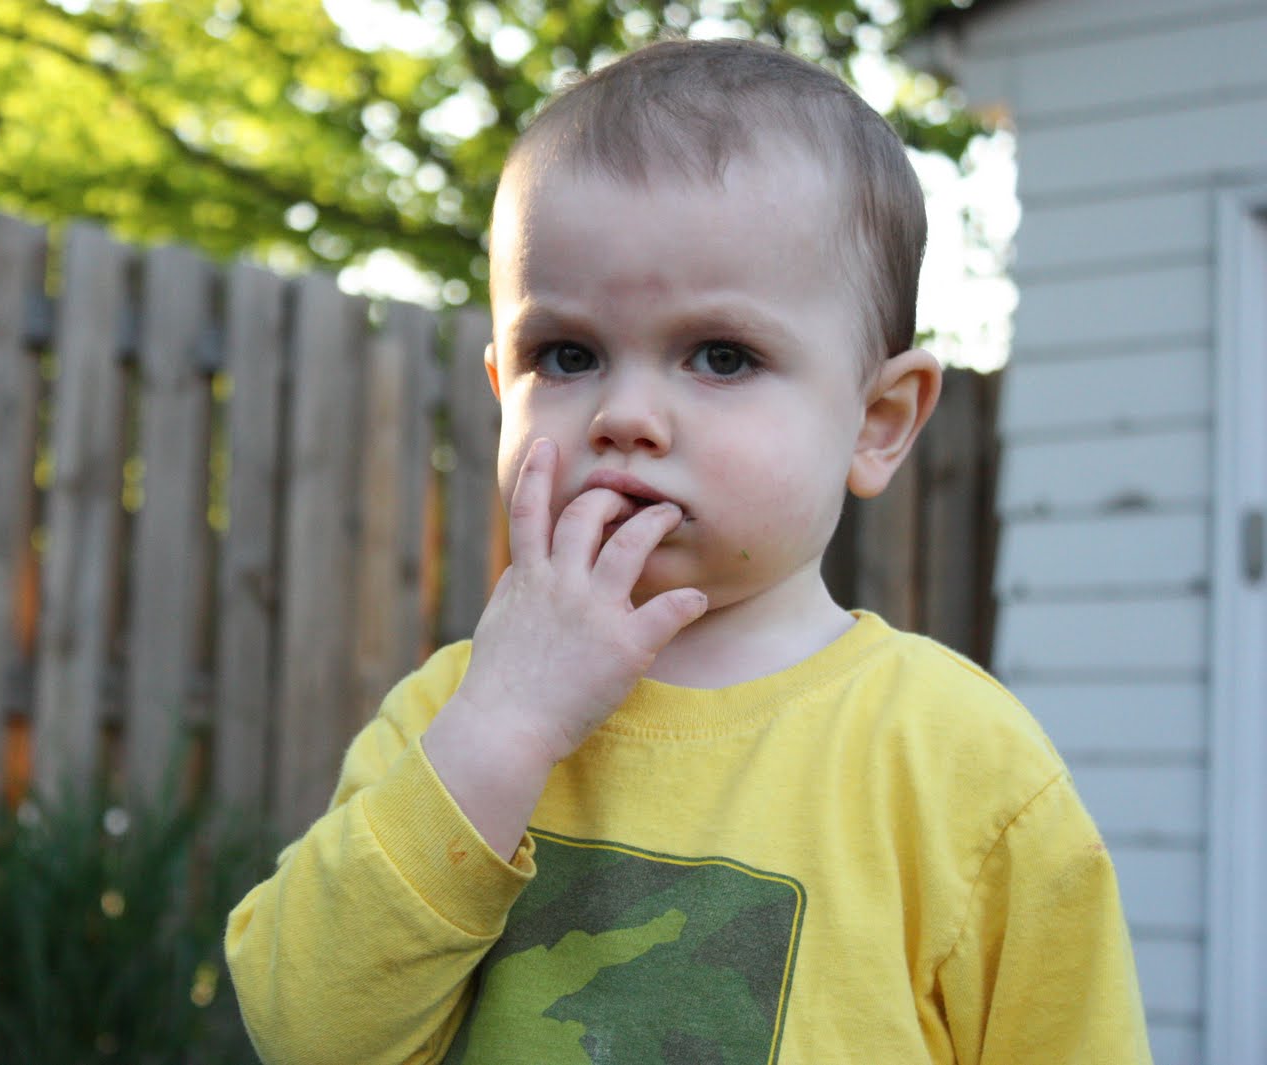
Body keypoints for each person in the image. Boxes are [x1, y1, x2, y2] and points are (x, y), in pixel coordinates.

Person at [225, 37, 1152, 1064]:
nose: (624, 414)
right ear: (501, 393)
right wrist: (502, 730)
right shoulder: (453, 717)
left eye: (721, 356)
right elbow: (308, 1031)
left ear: (877, 421)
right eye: (566, 356)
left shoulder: (959, 764)